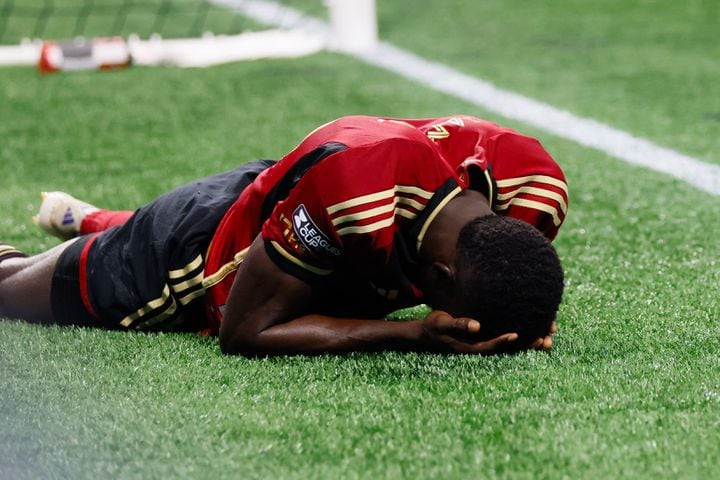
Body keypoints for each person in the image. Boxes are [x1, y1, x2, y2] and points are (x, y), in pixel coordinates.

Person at [0, 115, 568, 356]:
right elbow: (245, 331)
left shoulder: (533, 188)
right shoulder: (356, 195)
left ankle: (92, 219)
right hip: (203, 254)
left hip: (290, 198)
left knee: (323, 240)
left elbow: (511, 274)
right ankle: (91, 241)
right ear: (440, 279)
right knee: (10, 291)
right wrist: (411, 332)